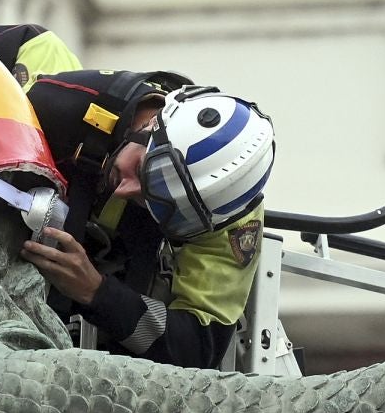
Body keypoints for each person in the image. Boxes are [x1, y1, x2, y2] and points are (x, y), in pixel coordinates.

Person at [24, 69, 272, 371]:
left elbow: (196, 349)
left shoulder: (226, 223)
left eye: (161, 205)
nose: (125, 190)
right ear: (153, 123)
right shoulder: (59, 103)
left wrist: (98, 293)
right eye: (143, 170)